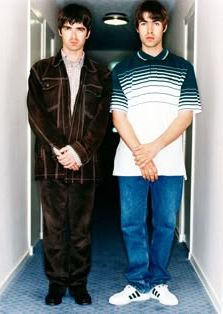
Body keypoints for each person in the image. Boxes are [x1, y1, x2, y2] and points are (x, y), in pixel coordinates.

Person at [109, 0, 201, 307]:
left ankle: (158, 281)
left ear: (165, 26)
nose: (150, 29)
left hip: (170, 162)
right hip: (130, 161)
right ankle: (137, 283)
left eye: (156, 23)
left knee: (164, 223)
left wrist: (153, 150)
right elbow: (118, 117)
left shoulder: (183, 68)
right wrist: (141, 154)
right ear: (137, 28)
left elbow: (185, 116)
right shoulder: (121, 70)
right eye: (144, 23)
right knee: (131, 223)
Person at [27, 3, 111, 306]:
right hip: (50, 164)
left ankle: (78, 283)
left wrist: (79, 151)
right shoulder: (40, 71)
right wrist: (60, 149)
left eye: (80, 29)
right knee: (53, 228)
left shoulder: (101, 76)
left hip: (85, 166)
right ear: (61, 30)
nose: (73, 35)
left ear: (87, 34)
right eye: (68, 28)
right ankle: (56, 283)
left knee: (80, 229)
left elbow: (102, 122)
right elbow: (37, 115)